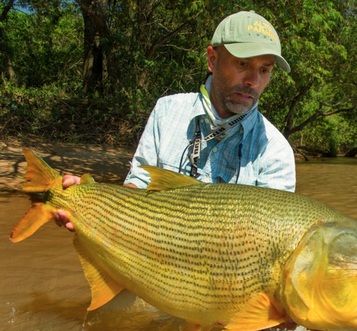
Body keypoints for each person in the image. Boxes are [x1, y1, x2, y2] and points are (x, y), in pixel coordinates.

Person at [55, 10, 295, 231]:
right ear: (212, 60)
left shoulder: (275, 151)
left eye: (265, 70)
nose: (254, 80)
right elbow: (138, 187)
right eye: (243, 64)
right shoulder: (167, 111)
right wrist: (91, 202)